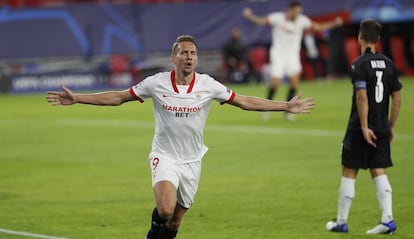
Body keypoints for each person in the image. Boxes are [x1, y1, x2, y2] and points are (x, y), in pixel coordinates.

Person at [46, 35, 315, 239]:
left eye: (193, 53)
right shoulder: (157, 83)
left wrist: (285, 105)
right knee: (164, 209)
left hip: (192, 161)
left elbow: (244, 101)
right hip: (164, 156)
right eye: (184, 53)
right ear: (173, 58)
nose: (189, 57)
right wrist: (78, 98)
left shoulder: (208, 85)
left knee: (174, 223)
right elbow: (118, 97)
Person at [326, 20, 402, 234]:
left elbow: (361, 97)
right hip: (382, 126)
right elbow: (396, 99)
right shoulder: (389, 64)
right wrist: (391, 126)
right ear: (377, 39)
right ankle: (388, 220)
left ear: (360, 37)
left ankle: (341, 222)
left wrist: (363, 126)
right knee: (379, 170)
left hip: (360, 127)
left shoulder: (358, 64)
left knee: (349, 170)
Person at [243, 1, 342, 121]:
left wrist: (333, 23)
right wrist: (249, 16)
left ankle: (288, 112)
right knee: (275, 83)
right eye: (296, 11)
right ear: (290, 10)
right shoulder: (278, 18)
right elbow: (261, 21)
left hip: (292, 56)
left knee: (294, 83)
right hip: (278, 54)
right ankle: (265, 109)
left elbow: (317, 27)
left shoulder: (302, 20)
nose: (298, 13)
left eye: (299, 11)